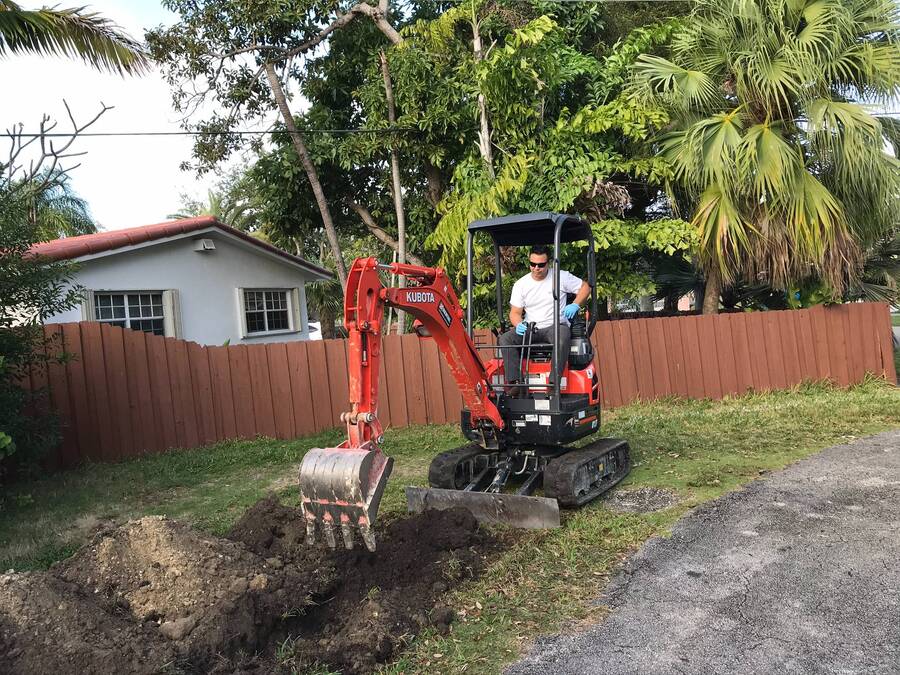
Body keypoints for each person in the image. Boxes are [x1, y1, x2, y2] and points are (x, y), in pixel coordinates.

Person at [498, 245, 590, 393]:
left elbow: (585, 287)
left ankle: (553, 384)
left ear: (549, 263)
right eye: (532, 264)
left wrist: (575, 304)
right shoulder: (521, 284)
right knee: (505, 339)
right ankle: (516, 383)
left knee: (562, 337)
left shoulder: (561, 277)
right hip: (531, 329)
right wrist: (518, 324)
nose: (536, 268)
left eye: (541, 265)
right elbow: (515, 313)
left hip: (555, 327)